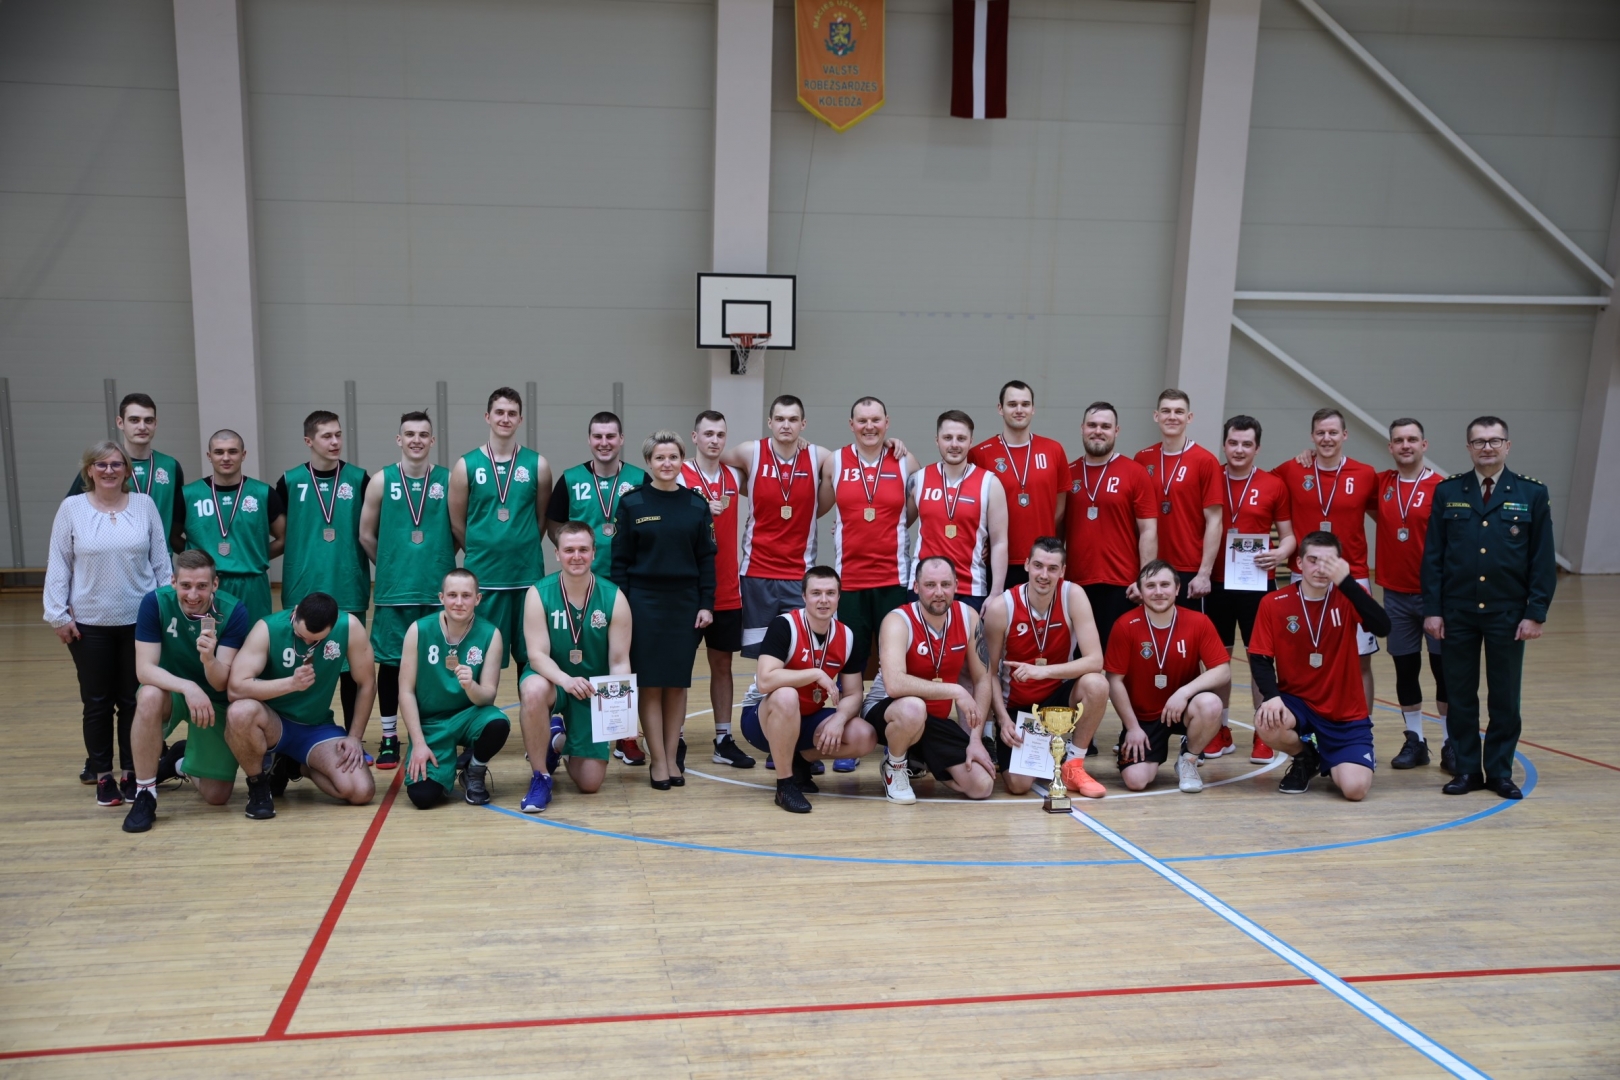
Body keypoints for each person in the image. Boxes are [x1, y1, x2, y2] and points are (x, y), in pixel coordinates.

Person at [1422, 417, 1554, 801]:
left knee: (1505, 697)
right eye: (1479, 441)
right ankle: (1466, 769)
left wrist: (1535, 612)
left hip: (1507, 612)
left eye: (1495, 441)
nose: (1487, 448)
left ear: (1507, 446)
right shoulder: (1449, 492)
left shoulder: (1531, 493)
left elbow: (1542, 559)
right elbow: (1434, 556)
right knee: (1460, 694)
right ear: (1468, 448)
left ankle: (1499, 771)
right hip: (1458, 611)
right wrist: (1433, 609)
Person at [45, 441, 173, 805]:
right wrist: (57, 614)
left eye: (116, 464)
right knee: (97, 702)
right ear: (89, 470)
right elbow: (58, 562)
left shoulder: (144, 505)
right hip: (89, 624)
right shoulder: (72, 508)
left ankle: (133, 771)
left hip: (140, 622)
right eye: (101, 465)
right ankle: (103, 776)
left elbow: (161, 562)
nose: (109, 471)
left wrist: (166, 609)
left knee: (134, 700)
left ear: (127, 471)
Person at [610, 431, 717, 789]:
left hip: (685, 604)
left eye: (673, 457)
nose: (667, 463)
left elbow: (707, 559)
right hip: (643, 603)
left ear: (682, 460)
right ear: (649, 462)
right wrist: (623, 608)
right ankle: (657, 760)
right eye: (660, 458)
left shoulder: (696, 504)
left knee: (676, 685)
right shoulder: (633, 503)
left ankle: (672, 758)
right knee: (650, 685)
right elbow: (620, 561)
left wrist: (706, 604)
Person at [1250, 532, 1391, 801]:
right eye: (1313, 560)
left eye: (1329, 562)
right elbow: (1260, 658)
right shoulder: (1273, 603)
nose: (1320, 569)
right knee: (1266, 721)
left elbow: (1383, 627)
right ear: (1299, 563)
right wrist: (1271, 697)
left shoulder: (1349, 595)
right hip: (1298, 703)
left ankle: (1333, 755)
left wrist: (1347, 582)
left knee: (1355, 790)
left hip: (1344, 712)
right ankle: (1306, 757)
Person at [122, 550, 251, 831]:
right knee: (148, 694)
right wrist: (188, 686)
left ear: (215, 584)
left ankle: (179, 761)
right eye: (186, 585)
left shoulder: (233, 612)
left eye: (202, 586)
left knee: (217, 796)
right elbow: (144, 670)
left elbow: (221, 683)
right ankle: (145, 794)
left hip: (213, 700)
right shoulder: (154, 603)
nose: (193, 594)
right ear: (173, 582)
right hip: (172, 691)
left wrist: (209, 659)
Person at [821, 395, 917, 772]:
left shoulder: (905, 461)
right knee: (853, 663)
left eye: (876, 419)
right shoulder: (835, 461)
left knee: (896, 664)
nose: (869, 426)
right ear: (851, 425)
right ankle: (851, 738)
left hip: (894, 579)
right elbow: (820, 505)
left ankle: (901, 739)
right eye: (862, 420)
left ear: (887, 422)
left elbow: (914, 511)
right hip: (851, 582)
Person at [359, 410, 457, 770]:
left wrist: (439, 560)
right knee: (390, 665)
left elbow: (458, 531)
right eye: (410, 434)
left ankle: (437, 731)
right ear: (399, 439)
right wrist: (390, 565)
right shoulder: (381, 481)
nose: (417, 440)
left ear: (433, 440)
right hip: (394, 593)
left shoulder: (448, 480)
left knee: (438, 665)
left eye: (423, 434)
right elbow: (365, 534)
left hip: (436, 594)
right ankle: (389, 736)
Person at [224, 592, 377, 819]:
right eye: (300, 635)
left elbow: (367, 683)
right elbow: (236, 688)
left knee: (361, 791)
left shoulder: (350, 627)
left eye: (314, 640)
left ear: (333, 625)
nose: (306, 643)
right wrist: (291, 684)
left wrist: (355, 736)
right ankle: (258, 785)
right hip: (273, 723)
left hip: (315, 727)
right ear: (295, 613)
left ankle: (292, 766)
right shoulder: (267, 628)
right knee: (240, 712)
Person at [738, 567, 878, 814]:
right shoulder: (785, 625)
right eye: (816, 593)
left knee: (864, 735)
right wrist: (815, 673)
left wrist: (839, 719)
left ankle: (800, 762)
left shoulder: (847, 636)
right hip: (761, 719)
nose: (823, 600)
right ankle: (785, 785)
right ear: (804, 596)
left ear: (839, 597)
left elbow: (854, 693)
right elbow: (765, 681)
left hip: (807, 717)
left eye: (830, 593)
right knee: (786, 694)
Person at [517, 522, 632, 812]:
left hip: (592, 690)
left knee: (590, 783)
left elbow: (619, 661)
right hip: (554, 681)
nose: (576, 556)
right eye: (569, 550)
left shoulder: (614, 597)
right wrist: (566, 680)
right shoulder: (538, 593)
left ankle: (557, 741)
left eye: (583, 549)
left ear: (594, 553)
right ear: (557, 554)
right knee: (532, 689)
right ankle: (541, 776)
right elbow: (537, 656)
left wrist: (622, 714)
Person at [982, 537, 1108, 798]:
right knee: (1018, 785)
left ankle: (1073, 764)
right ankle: (1046, 749)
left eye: (1052, 568)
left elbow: (1095, 660)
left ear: (1062, 571)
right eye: (1038, 566)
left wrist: (1043, 671)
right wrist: (1002, 720)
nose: (1044, 575)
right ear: (1027, 565)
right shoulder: (1001, 607)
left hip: (1057, 702)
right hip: (1018, 707)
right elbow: (989, 673)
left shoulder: (1073, 595)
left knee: (1097, 684)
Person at [861, 556, 995, 802]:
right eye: (930, 585)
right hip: (890, 711)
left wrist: (975, 739)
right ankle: (895, 767)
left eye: (946, 584)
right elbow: (895, 684)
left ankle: (919, 756)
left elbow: (983, 679)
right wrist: (955, 691)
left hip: (933, 721)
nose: (939, 592)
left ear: (956, 585)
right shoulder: (897, 620)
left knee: (981, 786)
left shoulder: (969, 617)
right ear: (916, 587)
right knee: (914, 708)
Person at [1274, 408, 1381, 709]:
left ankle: (1364, 726)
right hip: (1304, 576)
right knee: (1303, 655)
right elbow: (1256, 485)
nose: (1327, 438)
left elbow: (1384, 517)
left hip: (1352, 576)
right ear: (1312, 436)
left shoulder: (1365, 474)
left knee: (1360, 659)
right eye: (1320, 432)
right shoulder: (1291, 470)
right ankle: (1307, 724)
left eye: (1333, 432)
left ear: (1345, 435)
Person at [1205, 415, 1294, 763]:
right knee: (1218, 659)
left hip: (1258, 584)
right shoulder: (1210, 478)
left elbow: (1288, 536)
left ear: (1257, 448)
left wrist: (1281, 553)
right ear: (1224, 445)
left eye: (1246, 444)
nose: (1239, 450)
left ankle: (1264, 732)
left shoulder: (1273, 484)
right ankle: (1219, 729)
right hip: (1215, 582)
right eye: (1233, 443)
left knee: (1260, 659)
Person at [276, 410, 371, 734]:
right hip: (302, 587)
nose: (334, 441)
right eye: (326, 436)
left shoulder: (360, 479)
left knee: (350, 669)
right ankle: (299, 733)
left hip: (348, 585)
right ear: (308, 441)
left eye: (338, 434)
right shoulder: (289, 481)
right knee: (302, 665)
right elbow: (279, 533)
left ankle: (352, 737)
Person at [1106, 561, 1232, 793]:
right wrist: (1132, 728)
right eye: (1150, 586)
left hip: (1183, 708)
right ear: (1140, 591)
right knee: (1136, 781)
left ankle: (1188, 760)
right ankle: (1142, 745)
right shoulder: (1124, 625)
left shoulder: (1198, 622)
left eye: (1165, 585)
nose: (1158, 592)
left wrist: (1184, 692)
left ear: (1177, 588)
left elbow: (1222, 671)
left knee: (1211, 703)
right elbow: (1114, 681)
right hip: (1143, 718)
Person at [449, 387, 552, 670]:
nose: (505, 419)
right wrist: (481, 548)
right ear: (487, 416)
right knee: (482, 659)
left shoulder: (538, 464)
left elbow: (541, 518)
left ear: (520, 419)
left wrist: (521, 544)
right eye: (499, 412)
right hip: (485, 578)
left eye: (512, 413)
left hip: (526, 576)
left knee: (530, 659)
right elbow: (457, 521)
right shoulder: (466, 465)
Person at [722, 395, 828, 659]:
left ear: (803, 424)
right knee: (761, 653)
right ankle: (761, 689)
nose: (786, 425)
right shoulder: (750, 452)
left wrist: (890, 443)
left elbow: (859, 459)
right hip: (757, 573)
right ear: (769, 422)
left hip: (800, 574)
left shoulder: (819, 456)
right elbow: (711, 457)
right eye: (780, 419)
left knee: (799, 651)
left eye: (793, 419)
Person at [397, 570, 509, 809]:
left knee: (498, 723)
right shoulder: (418, 630)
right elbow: (405, 692)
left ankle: (474, 770)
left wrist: (471, 686)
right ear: (441, 597)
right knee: (422, 797)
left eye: (466, 596)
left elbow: (488, 696)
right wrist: (418, 743)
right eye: (452, 595)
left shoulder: (491, 634)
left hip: (469, 716)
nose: (459, 602)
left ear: (477, 599)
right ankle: (440, 765)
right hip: (431, 724)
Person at [679, 410, 753, 769]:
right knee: (678, 667)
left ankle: (723, 739)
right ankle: (674, 738)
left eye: (720, 435)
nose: (714, 440)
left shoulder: (734, 476)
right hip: (687, 589)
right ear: (694, 437)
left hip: (726, 587)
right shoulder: (679, 474)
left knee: (722, 665)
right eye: (707, 434)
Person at [1375, 418, 1447, 771]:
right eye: (1399, 440)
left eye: (1412, 439)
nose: (1406, 445)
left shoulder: (1443, 488)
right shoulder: (1381, 484)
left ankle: (1450, 742)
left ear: (1424, 445)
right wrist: (1309, 455)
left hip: (1436, 596)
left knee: (1443, 671)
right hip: (1395, 594)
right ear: (1390, 447)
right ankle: (1415, 740)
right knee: (1405, 670)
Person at [1064, 401, 1158, 650]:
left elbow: (1148, 530)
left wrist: (1145, 580)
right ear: (1082, 428)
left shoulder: (1135, 472)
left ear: (1116, 431)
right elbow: (1057, 528)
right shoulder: (1068, 473)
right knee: (1079, 660)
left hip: (1122, 584)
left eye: (1105, 426)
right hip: (1076, 584)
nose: (1098, 431)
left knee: (1117, 662)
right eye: (1092, 425)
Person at [968, 381, 1068, 588]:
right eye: (1012, 404)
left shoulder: (1054, 450)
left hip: (1042, 561)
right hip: (996, 561)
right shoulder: (980, 454)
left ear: (1033, 409)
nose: (1019, 410)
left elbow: (1059, 508)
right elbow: (970, 506)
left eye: (1025, 404)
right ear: (1000, 409)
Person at [180, 429, 285, 624]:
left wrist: (252, 556)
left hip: (252, 585)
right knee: (207, 639)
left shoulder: (264, 493)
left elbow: (284, 538)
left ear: (243, 455)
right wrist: (200, 560)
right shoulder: (188, 495)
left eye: (233, 451)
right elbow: (172, 537)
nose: (226, 457)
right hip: (205, 583)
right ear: (209, 456)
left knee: (254, 640)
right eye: (219, 452)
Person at [907, 410, 1007, 608]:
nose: (954, 444)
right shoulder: (918, 479)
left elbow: (999, 542)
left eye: (961, 438)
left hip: (971, 588)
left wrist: (996, 592)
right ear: (937, 440)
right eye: (947, 438)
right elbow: (896, 526)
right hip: (924, 586)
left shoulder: (990, 483)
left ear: (971, 442)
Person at [1133, 390, 1222, 611]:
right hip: (1151, 567)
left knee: (1188, 631)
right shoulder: (1142, 458)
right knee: (1152, 630)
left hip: (1189, 569)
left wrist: (1204, 573)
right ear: (1156, 416)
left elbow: (1214, 521)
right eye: (1166, 411)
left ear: (1189, 417)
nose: (1172, 417)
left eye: (1179, 412)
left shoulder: (1205, 460)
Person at [65, 393, 185, 549]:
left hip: (161, 558)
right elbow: (70, 516)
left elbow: (177, 523)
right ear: (120, 422)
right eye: (134, 420)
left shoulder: (171, 466)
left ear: (155, 423)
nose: (142, 427)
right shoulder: (103, 467)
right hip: (116, 557)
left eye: (148, 420)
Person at [546, 411, 648, 579]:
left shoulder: (640, 479)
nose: (604, 443)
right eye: (598, 436)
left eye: (610, 436)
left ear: (621, 439)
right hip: (584, 577)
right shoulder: (570, 479)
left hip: (630, 576)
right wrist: (575, 555)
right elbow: (554, 528)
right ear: (589, 439)